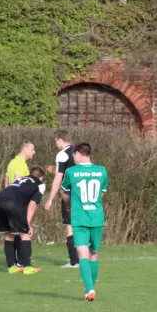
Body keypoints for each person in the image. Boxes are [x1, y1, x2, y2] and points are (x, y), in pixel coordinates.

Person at [61, 143, 108, 302]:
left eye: (73, 155)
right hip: (96, 218)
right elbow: (101, 195)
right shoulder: (102, 171)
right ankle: (89, 289)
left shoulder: (71, 172)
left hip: (79, 218)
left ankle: (90, 289)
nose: (73, 158)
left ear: (79, 153)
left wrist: (68, 205)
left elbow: (64, 192)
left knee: (82, 254)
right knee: (93, 253)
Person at [0, 166, 45, 274]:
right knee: (25, 233)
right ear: (41, 177)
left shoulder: (20, 179)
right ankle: (27, 267)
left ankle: (11, 267)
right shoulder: (40, 184)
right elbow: (32, 204)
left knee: (10, 234)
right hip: (13, 203)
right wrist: (28, 223)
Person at [44, 129, 79, 268]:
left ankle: (74, 262)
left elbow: (59, 179)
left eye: (55, 141)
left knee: (69, 226)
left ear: (59, 139)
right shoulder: (79, 151)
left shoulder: (62, 154)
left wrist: (50, 199)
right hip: (84, 193)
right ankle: (84, 259)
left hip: (69, 195)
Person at [4, 141, 36, 266]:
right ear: (25, 150)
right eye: (32, 149)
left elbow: (6, 181)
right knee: (25, 232)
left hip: (9, 201)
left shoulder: (12, 162)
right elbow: (18, 180)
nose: (34, 152)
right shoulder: (21, 164)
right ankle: (25, 264)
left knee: (11, 233)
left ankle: (11, 264)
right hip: (18, 203)